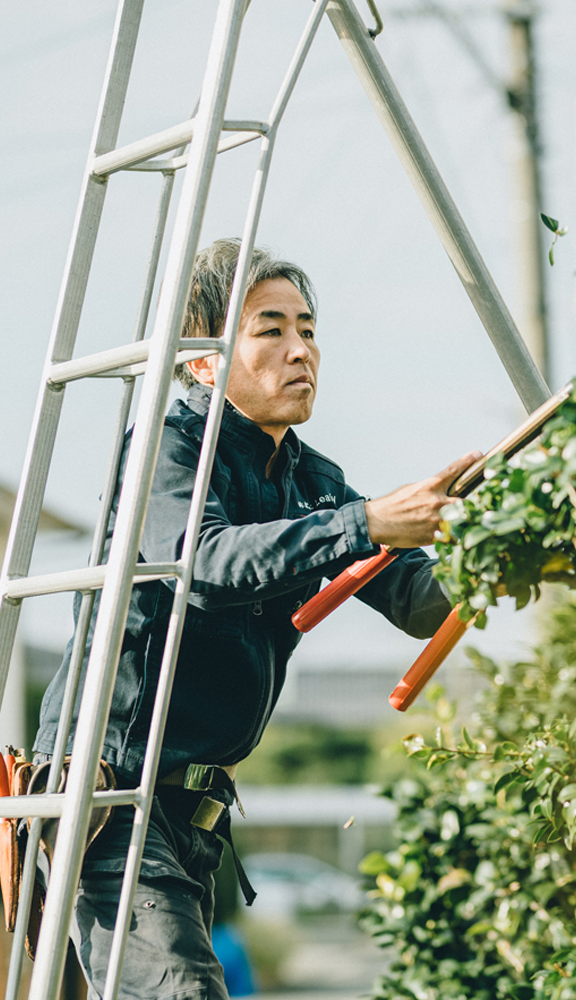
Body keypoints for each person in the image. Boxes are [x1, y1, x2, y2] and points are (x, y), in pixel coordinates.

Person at [32, 238, 480, 999]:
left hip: (194, 816)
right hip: (107, 797)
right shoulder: (171, 451)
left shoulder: (311, 480)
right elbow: (204, 565)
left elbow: (415, 601)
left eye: (307, 329)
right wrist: (367, 521)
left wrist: (504, 545)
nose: (300, 349)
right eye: (270, 330)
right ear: (204, 361)